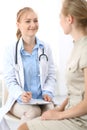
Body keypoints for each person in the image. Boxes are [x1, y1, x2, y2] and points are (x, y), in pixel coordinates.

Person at [17, 0, 87, 130]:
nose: (59, 21)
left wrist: (59, 115)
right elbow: (75, 92)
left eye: (60, 16)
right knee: (28, 122)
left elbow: (51, 73)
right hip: (69, 111)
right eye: (28, 21)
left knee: (23, 128)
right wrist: (59, 109)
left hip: (80, 120)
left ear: (69, 19)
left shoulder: (84, 49)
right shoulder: (77, 46)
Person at [2, 7, 56, 122]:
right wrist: (20, 94)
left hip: (42, 99)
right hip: (19, 101)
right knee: (33, 112)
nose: (33, 24)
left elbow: (51, 74)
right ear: (18, 25)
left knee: (50, 111)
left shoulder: (45, 48)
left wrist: (47, 92)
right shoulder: (10, 50)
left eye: (35, 20)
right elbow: (10, 79)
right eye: (28, 21)